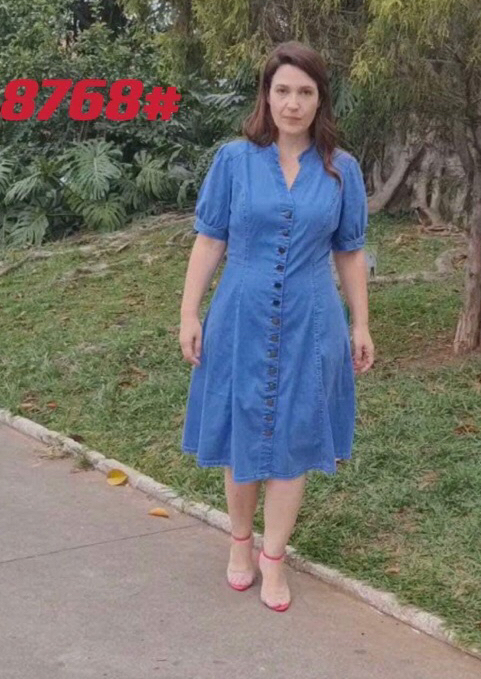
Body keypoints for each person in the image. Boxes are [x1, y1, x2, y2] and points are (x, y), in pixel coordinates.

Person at [178, 41, 375, 612]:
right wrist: (189, 312)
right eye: (282, 90)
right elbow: (210, 239)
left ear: (320, 99)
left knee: (295, 434)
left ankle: (274, 557)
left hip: (312, 320)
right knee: (242, 430)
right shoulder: (234, 161)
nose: (293, 103)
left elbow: (350, 251)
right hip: (240, 314)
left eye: (305, 92)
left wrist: (361, 324)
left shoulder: (342, 170)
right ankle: (240, 544)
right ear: (266, 96)